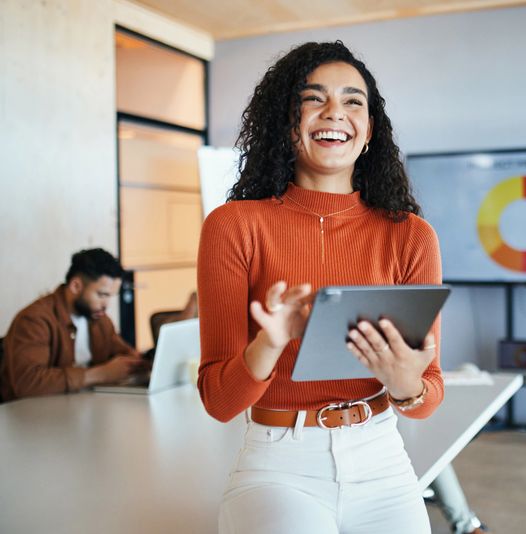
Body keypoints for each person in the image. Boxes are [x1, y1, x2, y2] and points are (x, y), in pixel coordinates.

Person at [197, 41, 444, 533]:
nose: (336, 112)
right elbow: (220, 403)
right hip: (279, 464)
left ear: (369, 129)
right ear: (286, 123)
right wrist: (271, 341)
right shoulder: (234, 225)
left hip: (382, 459)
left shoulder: (411, 235)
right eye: (314, 98)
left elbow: (429, 394)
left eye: (354, 101)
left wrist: (405, 382)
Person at [0, 248, 142, 402]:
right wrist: (100, 374)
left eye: (110, 296)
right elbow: (27, 383)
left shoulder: (100, 320)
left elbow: (123, 354)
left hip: (78, 408)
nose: (106, 305)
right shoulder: (34, 320)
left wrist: (144, 362)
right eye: (102, 295)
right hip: (32, 417)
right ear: (76, 286)